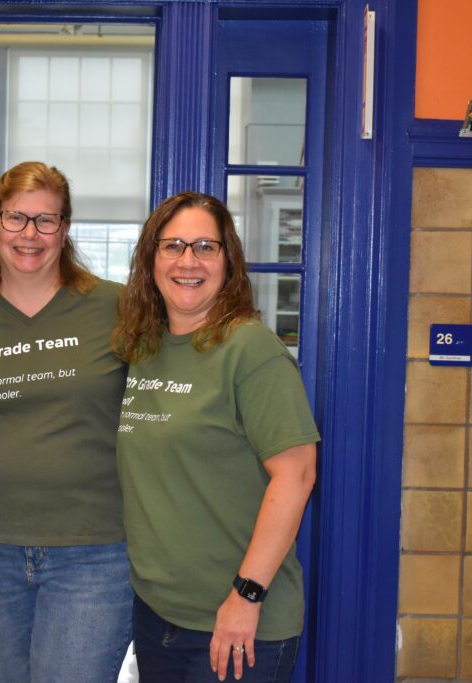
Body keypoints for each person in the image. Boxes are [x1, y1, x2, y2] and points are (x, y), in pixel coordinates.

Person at [113, 192, 320, 683]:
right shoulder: (145, 348)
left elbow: (297, 475)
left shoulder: (250, 349)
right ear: (151, 259)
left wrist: (246, 595)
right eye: (173, 246)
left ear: (229, 262)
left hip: (237, 621)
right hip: (157, 614)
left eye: (206, 246)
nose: (188, 261)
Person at [0, 161, 133, 683]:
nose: (29, 234)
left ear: (64, 229)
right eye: (16, 218)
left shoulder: (114, 306)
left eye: (46, 220)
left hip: (93, 551)